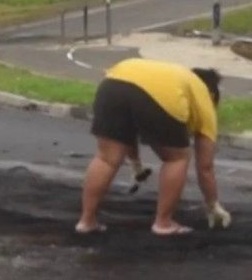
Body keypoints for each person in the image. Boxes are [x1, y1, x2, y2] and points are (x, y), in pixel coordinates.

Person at [76, 58, 230, 236]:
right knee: (177, 158)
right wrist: (213, 205)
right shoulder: (203, 96)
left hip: (111, 85)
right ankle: (163, 223)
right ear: (213, 96)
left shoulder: (174, 76)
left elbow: (128, 128)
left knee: (106, 158)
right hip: (154, 95)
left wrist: (136, 164)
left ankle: (86, 221)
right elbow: (205, 167)